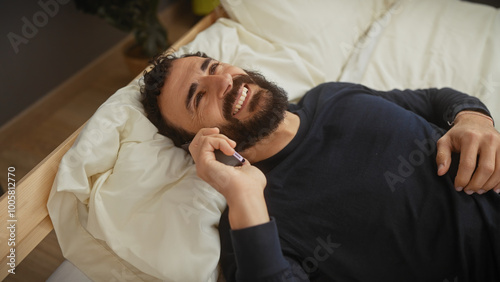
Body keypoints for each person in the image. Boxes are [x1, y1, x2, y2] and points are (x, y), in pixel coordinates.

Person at [140, 52, 500, 281]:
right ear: (198, 143)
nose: (224, 81)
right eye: (199, 96)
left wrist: (473, 120)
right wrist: (244, 195)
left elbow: (433, 101)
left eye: (214, 67)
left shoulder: (331, 96)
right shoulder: (253, 221)